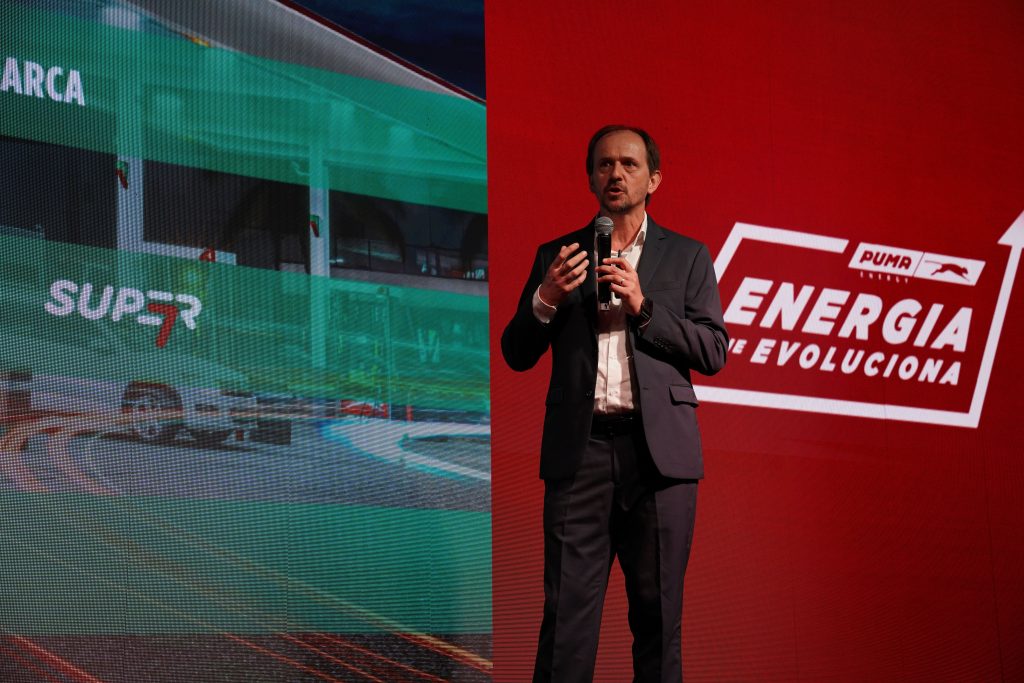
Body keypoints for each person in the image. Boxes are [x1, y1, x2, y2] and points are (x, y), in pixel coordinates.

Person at [501, 125, 728, 682]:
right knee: (566, 622)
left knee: (658, 620)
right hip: (580, 457)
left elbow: (712, 350)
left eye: (629, 164)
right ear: (590, 178)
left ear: (654, 179)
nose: (616, 174)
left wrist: (644, 307)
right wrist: (545, 299)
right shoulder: (559, 256)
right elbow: (516, 353)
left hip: (659, 461)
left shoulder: (688, 257)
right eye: (604, 165)